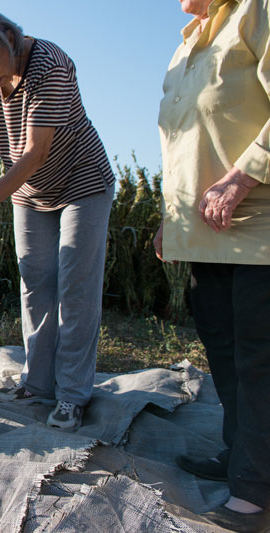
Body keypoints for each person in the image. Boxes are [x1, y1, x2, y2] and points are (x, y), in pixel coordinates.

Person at [0, 5, 115, 431]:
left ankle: (72, 394)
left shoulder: (49, 65)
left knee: (75, 287)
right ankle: (37, 384)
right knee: (35, 282)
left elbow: (35, 153)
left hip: (81, 182)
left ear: (8, 36)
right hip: (29, 192)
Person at [154, 0, 270, 530]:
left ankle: (255, 491)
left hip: (258, 225)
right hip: (204, 230)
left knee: (259, 357)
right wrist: (170, 218)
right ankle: (242, 456)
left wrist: (241, 178)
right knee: (223, 352)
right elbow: (182, 141)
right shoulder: (186, 44)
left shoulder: (257, 11)